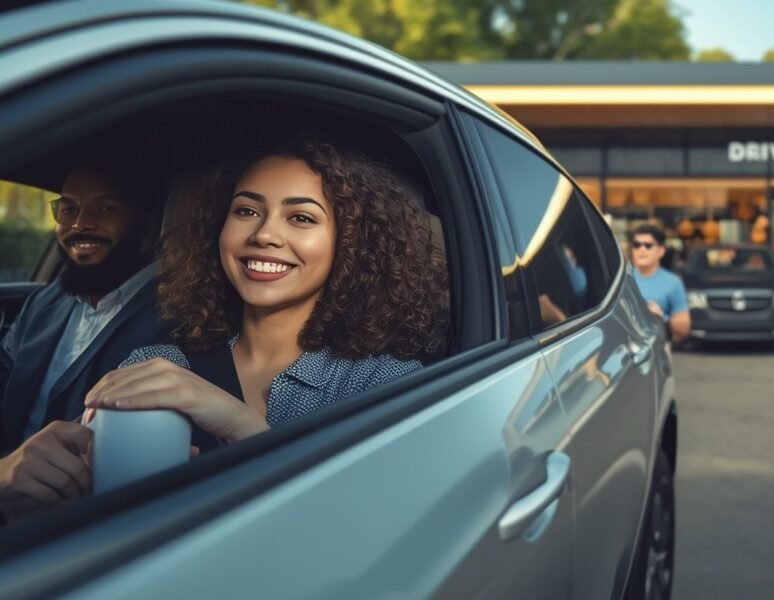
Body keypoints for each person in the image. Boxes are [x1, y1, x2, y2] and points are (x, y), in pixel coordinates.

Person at [83, 132, 448, 453]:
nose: (264, 234)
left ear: (352, 243)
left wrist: (240, 425)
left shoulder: (380, 384)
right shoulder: (155, 366)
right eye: (246, 210)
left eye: (301, 218)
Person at [0, 164, 169, 524]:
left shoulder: (181, 316)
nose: (79, 224)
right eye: (69, 209)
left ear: (147, 222)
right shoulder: (46, 301)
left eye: (106, 208)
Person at [629, 224, 690, 341]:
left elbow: (684, 329)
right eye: (637, 245)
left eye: (648, 245)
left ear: (661, 251)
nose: (642, 249)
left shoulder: (673, 282)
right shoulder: (621, 279)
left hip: (656, 351)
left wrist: (661, 317)